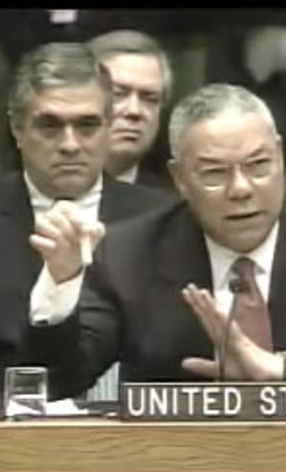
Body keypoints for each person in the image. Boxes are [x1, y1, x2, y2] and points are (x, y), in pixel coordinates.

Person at [25, 83, 286, 403]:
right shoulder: (129, 253)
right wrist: (62, 284)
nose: (241, 189)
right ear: (180, 179)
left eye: (259, 166)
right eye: (214, 173)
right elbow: (60, 381)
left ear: (281, 157)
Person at [0, 42, 171, 400]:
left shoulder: (165, 220)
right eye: (50, 125)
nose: (70, 144)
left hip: (140, 440)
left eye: (87, 125)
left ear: (109, 126)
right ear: (16, 129)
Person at [88, 29, 175, 192]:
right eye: (118, 94)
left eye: (149, 98)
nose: (134, 111)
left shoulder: (174, 208)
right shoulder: (31, 191)